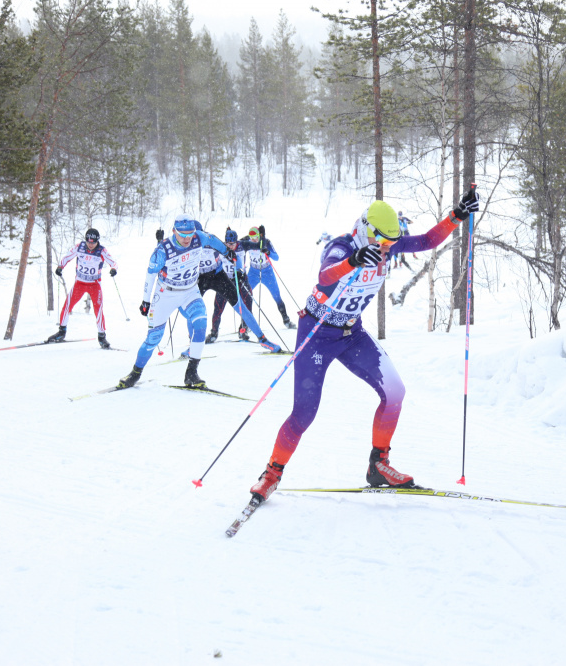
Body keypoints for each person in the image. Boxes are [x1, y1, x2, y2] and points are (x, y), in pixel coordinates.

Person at [247, 188, 481, 503]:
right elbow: (326, 276)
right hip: (316, 333)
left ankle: (378, 465)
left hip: (351, 333)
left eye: (391, 244)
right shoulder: (341, 247)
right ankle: (272, 474)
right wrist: (354, 261)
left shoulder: (385, 244)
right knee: (304, 413)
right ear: (366, 232)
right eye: (383, 243)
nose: (388, 250)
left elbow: (426, 241)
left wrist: (456, 216)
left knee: (395, 392)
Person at [117, 214, 280, 391]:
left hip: (204, 282)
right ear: (175, 232)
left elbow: (221, 245)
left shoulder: (200, 238)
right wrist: (145, 301)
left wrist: (233, 259)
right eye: (183, 235)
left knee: (205, 319)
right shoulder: (166, 248)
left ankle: (193, 372)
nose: (188, 239)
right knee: (155, 337)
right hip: (176, 288)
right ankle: (136, 372)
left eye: (192, 234)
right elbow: (152, 270)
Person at [46, 228, 118, 349]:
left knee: (98, 310)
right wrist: (60, 267)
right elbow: (67, 257)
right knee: (67, 305)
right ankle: (61, 332)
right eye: (88, 242)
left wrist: (113, 269)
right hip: (79, 283)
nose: (90, 245)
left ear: (97, 241)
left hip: (95, 284)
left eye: (93, 242)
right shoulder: (79, 247)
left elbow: (113, 262)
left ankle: (102, 337)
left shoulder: (102, 250)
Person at [200, 227, 255, 344]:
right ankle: (214, 333)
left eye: (232, 243)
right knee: (218, 308)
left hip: (240, 279)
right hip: (225, 281)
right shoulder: (221, 249)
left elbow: (254, 243)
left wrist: (240, 271)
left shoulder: (241, 246)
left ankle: (243, 329)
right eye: (228, 243)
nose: (230, 246)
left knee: (247, 303)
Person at [242, 225, 295, 329]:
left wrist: (268, 252)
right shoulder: (247, 241)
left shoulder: (266, 242)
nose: (253, 240)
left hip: (267, 272)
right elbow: (236, 246)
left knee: (276, 296)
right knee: (245, 295)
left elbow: (276, 257)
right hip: (253, 272)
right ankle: (245, 324)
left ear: (259, 235)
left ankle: (286, 320)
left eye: (255, 237)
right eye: (251, 238)